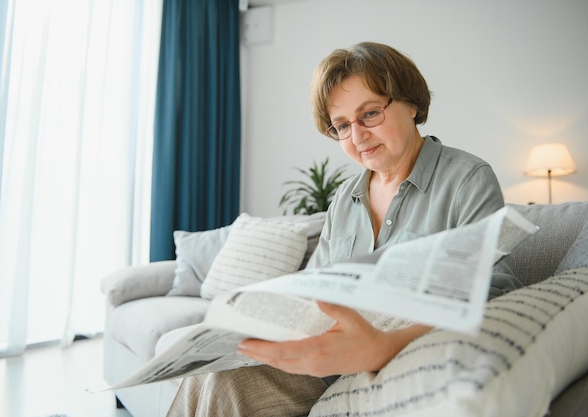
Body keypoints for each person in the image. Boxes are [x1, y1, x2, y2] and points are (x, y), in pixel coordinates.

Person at [166, 41, 520, 417]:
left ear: (412, 105)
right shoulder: (345, 198)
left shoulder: (467, 179)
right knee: (208, 373)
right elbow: (315, 288)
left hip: (404, 356)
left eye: (370, 114)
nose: (358, 136)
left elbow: (496, 295)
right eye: (342, 126)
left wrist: (384, 345)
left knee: (225, 386)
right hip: (331, 362)